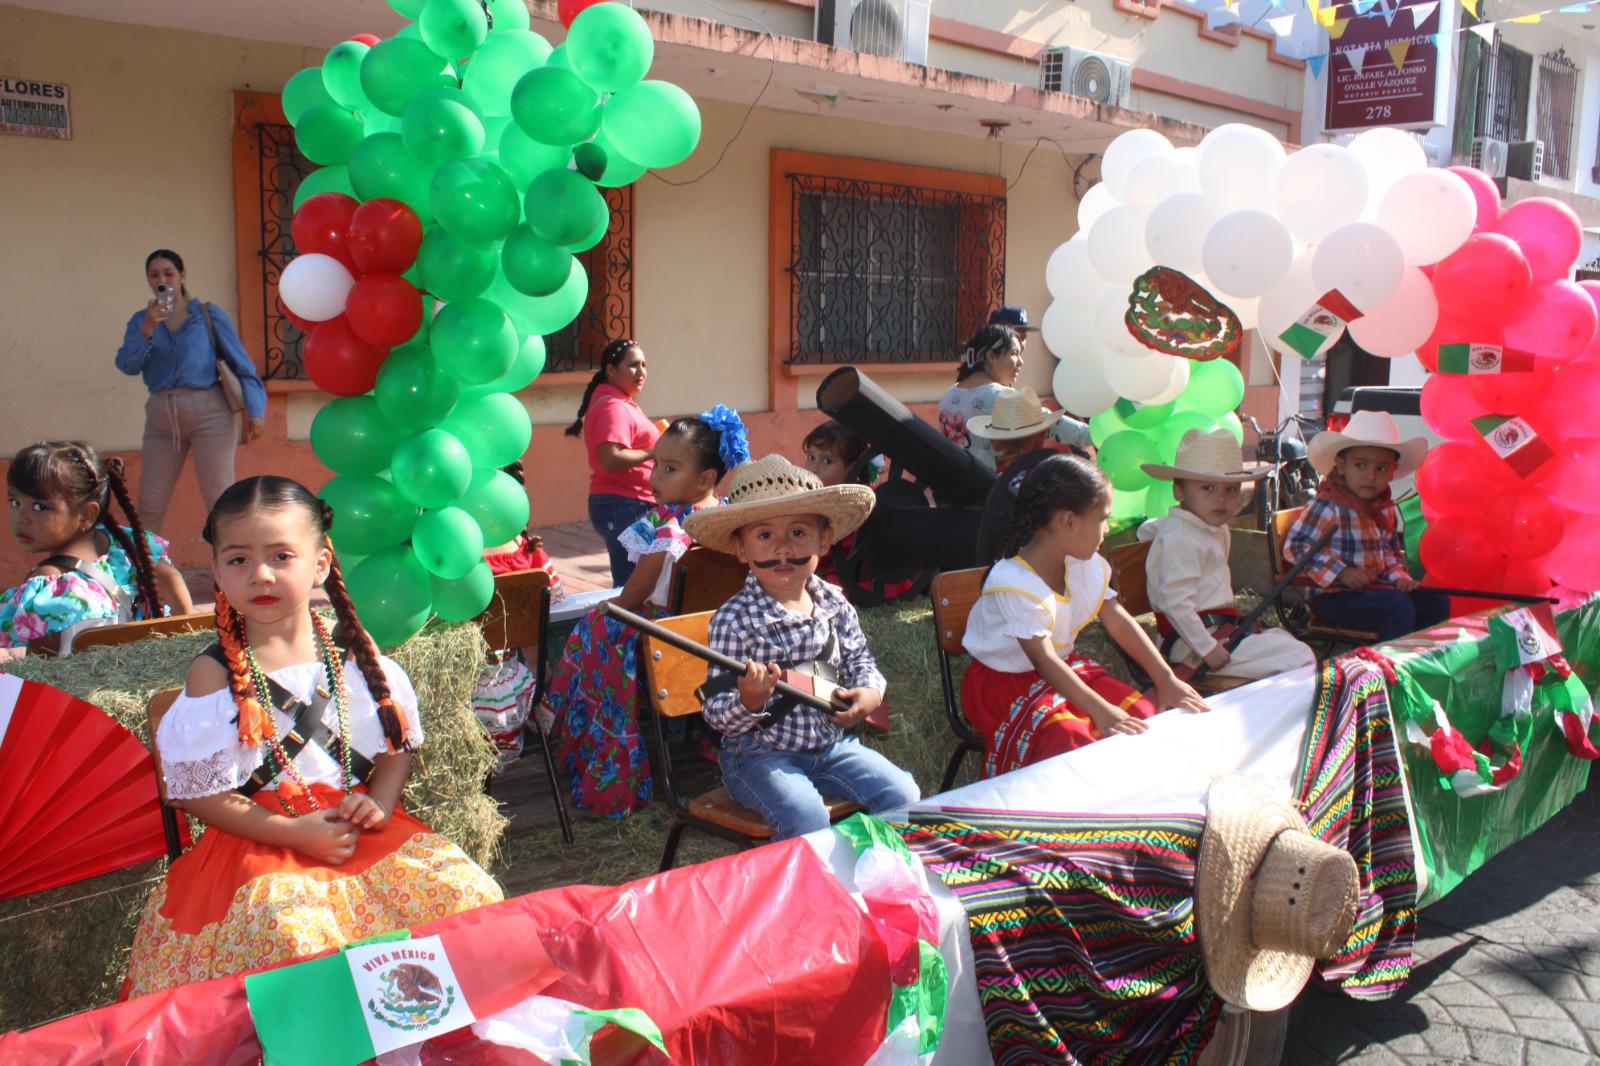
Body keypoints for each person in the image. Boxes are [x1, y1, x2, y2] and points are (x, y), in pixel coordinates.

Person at [123, 477, 501, 996]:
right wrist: (296, 834)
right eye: (237, 560)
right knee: (294, 934)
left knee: (464, 892)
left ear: (320, 563)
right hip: (258, 841)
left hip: (355, 830)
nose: (260, 574)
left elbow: (397, 746)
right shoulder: (213, 676)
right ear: (216, 571)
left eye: (281, 556)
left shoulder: (354, 653)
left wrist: (381, 805)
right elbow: (200, 796)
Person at [685, 455, 920, 841]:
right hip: (759, 756)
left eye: (798, 533)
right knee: (805, 816)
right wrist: (747, 700)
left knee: (904, 795)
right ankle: (806, 891)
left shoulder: (834, 601)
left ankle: (877, 875)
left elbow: (861, 659)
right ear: (741, 550)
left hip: (832, 747)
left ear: (824, 540)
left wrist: (870, 693)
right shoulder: (734, 620)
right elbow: (716, 714)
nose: (782, 548)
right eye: (764, 536)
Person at [546, 406, 749, 817]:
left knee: (594, 625)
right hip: (716, 638)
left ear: (706, 478)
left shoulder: (668, 525)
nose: (656, 477)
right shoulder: (730, 517)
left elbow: (637, 590)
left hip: (664, 638)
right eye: (656, 465)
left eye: (670, 468)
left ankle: (569, 722)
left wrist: (614, 606)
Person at [961, 455, 1209, 777]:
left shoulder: (1082, 564)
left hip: (1062, 670)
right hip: (1004, 684)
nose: (1106, 529)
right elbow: (1044, 661)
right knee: (1069, 740)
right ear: (1068, 522)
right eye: (1103, 519)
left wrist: (1166, 679)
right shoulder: (1013, 582)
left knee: (1142, 715)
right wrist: (1101, 713)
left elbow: (1118, 621)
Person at [1137, 429, 1316, 679]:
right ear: (1179, 492)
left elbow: (1154, 529)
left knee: (1285, 643)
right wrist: (1207, 649)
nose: (1221, 498)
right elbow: (1173, 602)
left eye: (1231, 489)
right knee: (1300, 658)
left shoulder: (1211, 529)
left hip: (1222, 631)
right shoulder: (1181, 538)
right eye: (1208, 488)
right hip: (1193, 644)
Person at [115, 250, 268, 535]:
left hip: (210, 411)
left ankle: (229, 571)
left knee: (220, 498)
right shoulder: (141, 321)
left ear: (182, 275)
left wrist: (256, 410)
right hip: (162, 415)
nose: (162, 279)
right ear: (148, 280)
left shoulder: (207, 315)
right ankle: (143, 572)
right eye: (154, 274)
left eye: (169, 273)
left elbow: (241, 363)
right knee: (150, 502)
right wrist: (148, 328)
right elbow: (127, 365)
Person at [0, 441, 192, 657]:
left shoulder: (49, 582)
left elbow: (41, 669)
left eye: (40, 507)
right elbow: (183, 608)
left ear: (88, 513)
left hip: (77, 691)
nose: (21, 518)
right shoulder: (133, 546)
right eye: (14, 502)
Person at [1285, 411, 1450, 642]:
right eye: (1360, 465)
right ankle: (1391, 667)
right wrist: (1341, 572)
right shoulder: (1328, 506)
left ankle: (1418, 658)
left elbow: (1390, 552)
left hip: (1375, 591)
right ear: (1341, 466)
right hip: (1333, 599)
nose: (1370, 476)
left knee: (1435, 601)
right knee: (1397, 608)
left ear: (1393, 471)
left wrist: (1399, 577)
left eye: (1381, 468)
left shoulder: (1383, 508)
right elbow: (1296, 546)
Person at [472, 461, 564, 766]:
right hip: (516, 688)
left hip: (467, 692)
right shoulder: (530, 553)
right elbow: (553, 604)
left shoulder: (459, 559)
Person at [564, 338, 660, 586]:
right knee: (633, 586)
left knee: (637, 583)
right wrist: (654, 452)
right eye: (633, 365)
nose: (641, 372)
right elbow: (610, 458)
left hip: (627, 503)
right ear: (610, 370)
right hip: (626, 504)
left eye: (644, 365)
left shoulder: (619, 401)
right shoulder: (612, 406)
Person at [938, 324, 1090, 471]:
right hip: (996, 490)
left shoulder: (949, 395)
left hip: (959, 489)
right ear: (991, 357)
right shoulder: (1001, 397)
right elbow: (1055, 425)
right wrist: (1097, 436)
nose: (1021, 362)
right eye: (1014, 354)